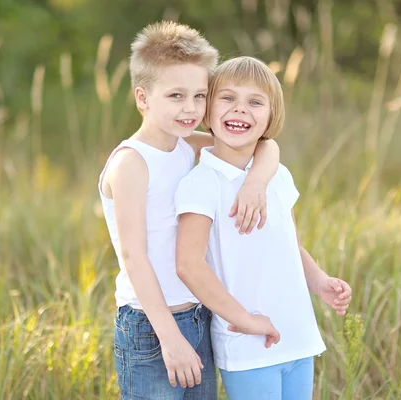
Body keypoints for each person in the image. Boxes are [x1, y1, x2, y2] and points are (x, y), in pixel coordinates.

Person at [98, 23, 281, 400]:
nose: (190, 108)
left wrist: (255, 183)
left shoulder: (188, 145)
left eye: (200, 96)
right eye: (176, 95)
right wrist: (170, 338)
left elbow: (262, 143)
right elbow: (134, 257)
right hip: (151, 324)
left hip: (198, 314)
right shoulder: (131, 163)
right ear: (143, 97)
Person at [175, 56, 352, 400]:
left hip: (296, 334)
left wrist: (319, 281)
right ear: (207, 110)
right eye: (227, 98)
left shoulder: (277, 175)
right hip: (248, 343)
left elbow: (290, 244)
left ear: (271, 116)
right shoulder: (201, 183)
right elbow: (188, 265)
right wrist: (245, 319)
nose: (240, 110)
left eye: (255, 102)